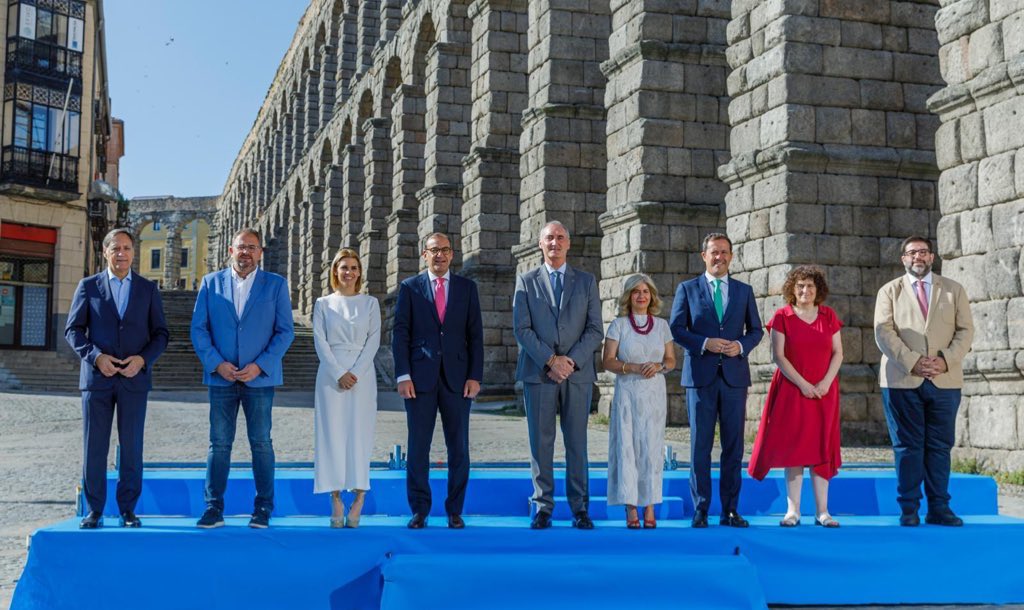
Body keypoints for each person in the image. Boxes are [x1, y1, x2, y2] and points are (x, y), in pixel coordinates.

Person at [190, 228, 295, 529]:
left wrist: (260, 365)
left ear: (260, 252)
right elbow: (199, 329)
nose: (246, 252)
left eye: (252, 247)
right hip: (221, 377)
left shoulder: (276, 285)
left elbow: (285, 331)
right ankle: (213, 508)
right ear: (230, 250)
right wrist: (216, 363)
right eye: (241, 247)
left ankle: (263, 509)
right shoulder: (210, 283)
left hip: (259, 379)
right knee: (219, 444)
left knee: (261, 443)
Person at [65, 228, 169, 529]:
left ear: (133, 253)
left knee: (132, 447)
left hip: (134, 380)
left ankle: (128, 510)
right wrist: (96, 356)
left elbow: (161, 334)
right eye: (115, 248)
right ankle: (94, 510)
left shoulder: (148, 290)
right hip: (97, 379)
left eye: (126, 248)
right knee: (94, 447)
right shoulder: (88, 287)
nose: (121, 253)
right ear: (106, 253)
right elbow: (73, 330)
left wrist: (142, 360)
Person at [875, 236, 974, 527]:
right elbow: (884, 332)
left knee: (940, 446)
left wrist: (945, 360)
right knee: (907, 446)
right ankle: (909, 509)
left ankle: (939, 508)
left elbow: (966, 330)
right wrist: (913, 362)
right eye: (911, 253)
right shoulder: (889, 291)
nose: (917, 257)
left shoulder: (954, 290)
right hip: (901, 380)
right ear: (903, 259)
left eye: (923, 252)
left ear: (931, 257)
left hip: (945, 379)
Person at [513, 221, 603, 530]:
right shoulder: (526, 282)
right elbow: (522, 329)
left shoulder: (586, 282)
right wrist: (551, 360)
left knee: (577, 443)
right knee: (541, 443)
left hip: (577, 375)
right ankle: (543, 506)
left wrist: (570, 361)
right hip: (539, 373)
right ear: (540, 244)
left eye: (560, 237)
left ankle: (580, 508)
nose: (555, 242)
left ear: (568, 243)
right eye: (549, 238)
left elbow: (595, 329)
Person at [669, 233, 763, 528]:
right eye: (714, 252)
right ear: (704, 256)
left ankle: (730, 510)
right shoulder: (687, 289)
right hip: (700, 378)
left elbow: (756, 330)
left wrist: (741, 346)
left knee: (733, 447)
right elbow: (676, 328)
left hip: (734, 378)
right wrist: (704, 343)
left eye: (724, 252)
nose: (719, 257)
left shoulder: (744, 291)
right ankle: (701, 509)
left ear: (731, 256)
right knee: (700, 446)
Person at [392, 233, 483, 529]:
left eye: (444, 250)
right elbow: (400, 333)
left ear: (452, 254)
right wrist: (403, 375)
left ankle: (455, 510)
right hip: (419, 380)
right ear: (425, 254)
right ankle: (420, 510)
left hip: (458, 380)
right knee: (418, 448)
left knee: (459, 449)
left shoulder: (467, 288)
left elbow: (475, 336)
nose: (439, 255)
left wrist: (475, 376)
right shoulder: (410, 288)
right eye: (434, 250)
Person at [747, 266, 843, 527]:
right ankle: (793, 511)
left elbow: (838, 353)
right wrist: (803, 385)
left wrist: (825, 383)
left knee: (822, 448)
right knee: (795, 449)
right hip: (793, 389)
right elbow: (779, 356)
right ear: (792, 288)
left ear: (817, 289)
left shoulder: (828, 315)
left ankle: (823, 512)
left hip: (824, 392)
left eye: (810, 286)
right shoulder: (782, 316)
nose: (805, 290)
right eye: (800, 285)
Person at [312, 249, 380, 528]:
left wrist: (355, 373)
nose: (348, 272)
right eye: (343, 267)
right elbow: (319, 340)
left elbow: (374, 340)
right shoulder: (323, 304)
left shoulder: (371, 303)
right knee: (332, 435)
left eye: (353, 267)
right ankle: (336, 497)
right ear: (335, 271)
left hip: (363, 375)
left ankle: (360, 495)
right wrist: (339, 372)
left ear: (359, 272)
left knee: (360, 434)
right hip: (331, 376)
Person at [602, 274, 676, 529]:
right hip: (628, 392)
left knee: (651, 448)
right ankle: (631, 505)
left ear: (652, 296)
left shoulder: (662, 326)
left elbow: (671, 360)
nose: (641, 296)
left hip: (654, 393)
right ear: (628, 296)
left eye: (645, 291)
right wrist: (632, 366)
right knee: (628, 446)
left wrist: (659, 365)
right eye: (636, 291)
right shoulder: (619, 325)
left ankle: (650, 504)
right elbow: (607, 361)